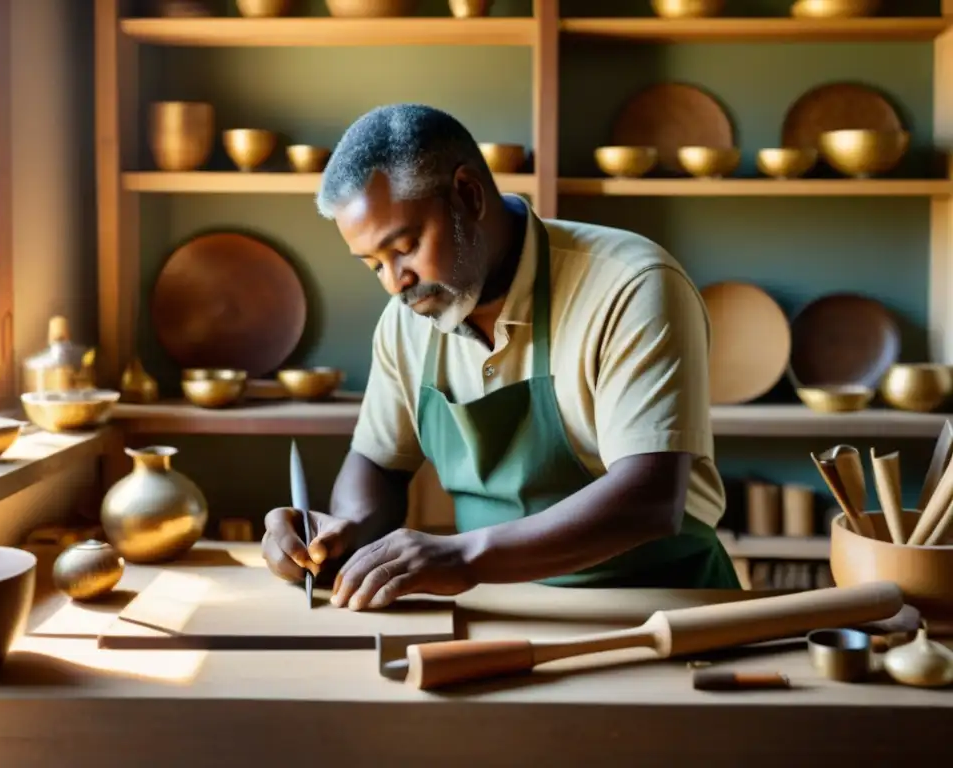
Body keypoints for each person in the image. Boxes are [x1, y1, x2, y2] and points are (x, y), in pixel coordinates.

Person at [261, 103, 740, 611]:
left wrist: (465, 557)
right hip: (501, 607)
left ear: (468, 195)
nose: (393, 281)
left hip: (662, 605)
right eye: (372, 263)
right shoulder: (408, 318)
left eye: (404, 246)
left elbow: (648, 500)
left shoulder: (631, 285)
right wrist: (341, 536)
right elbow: (377, 464)